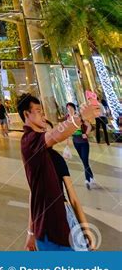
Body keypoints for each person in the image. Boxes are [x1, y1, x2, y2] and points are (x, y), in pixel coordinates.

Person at [19, 92, 98, 251]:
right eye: (39, 111)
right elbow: (56, 135)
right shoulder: (28, 141)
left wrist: (85, 228)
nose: (43, 116)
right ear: (26, 114)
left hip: (65, 222)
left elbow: (73, 197)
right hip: (46, 228)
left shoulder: (53, 156)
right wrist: (80, 116)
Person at [66, 102, 95, 189]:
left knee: (85, 161)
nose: (69, 111)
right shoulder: (68, 119)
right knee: (84, 161)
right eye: (68, 109)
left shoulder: (80, 117)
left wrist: (86, 134)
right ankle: (91, 176)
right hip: (76, 142)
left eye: (71, 109)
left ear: (74, 109)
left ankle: (87, 180)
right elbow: (68, 130)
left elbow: (89, 126)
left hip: (83, 142)